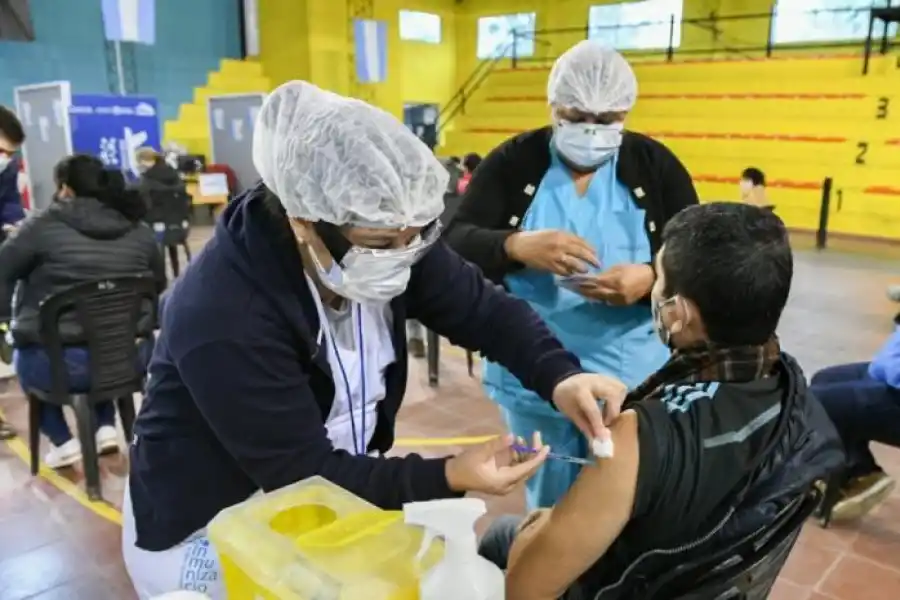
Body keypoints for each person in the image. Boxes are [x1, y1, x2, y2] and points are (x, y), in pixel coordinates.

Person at [122, 81, 629, 599]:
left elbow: (485, 311)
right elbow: (302, 473)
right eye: (381, 244)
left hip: (327, 494)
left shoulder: (390, 229)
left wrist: (562, 375)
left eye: (416, 238)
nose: (402, 256)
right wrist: (450, 474)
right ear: (303, 220)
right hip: (216, 519)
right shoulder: (225, 313)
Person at [478, 203, 844, 600]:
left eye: (660, 278)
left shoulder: (639, 435)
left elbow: (525, 589)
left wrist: (541, 524)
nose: (653, 288)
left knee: (501, 536)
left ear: (678, 313)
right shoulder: (798, 396)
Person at [444, 40, 699, 508]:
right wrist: (514, 245)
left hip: (630, 370)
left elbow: (697, 253)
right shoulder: (514, 162)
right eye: (577, 115)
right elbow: (455, 238)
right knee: (551, 494)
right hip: (532, 367)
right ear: (553, 105)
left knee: (623, 493)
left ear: (625, 113)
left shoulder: (654, 167)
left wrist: (650, 277)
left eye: (606, 120)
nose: (591, 130)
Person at [0, 155, 166, 468]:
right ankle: (105, 427)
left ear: (65, 189)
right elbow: (157, 285)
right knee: (104, 331)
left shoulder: (40, 227)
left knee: (27, 353)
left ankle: (62, 442)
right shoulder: (139, 230)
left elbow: (3, 270)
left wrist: (6, 324)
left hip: (62, 368)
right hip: (131, 360)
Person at [809, 329, 900, 521]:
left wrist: (887, 366)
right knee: (823, 379)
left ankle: (857, 474)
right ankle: (859, 471)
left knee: (821, 400)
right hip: (889, 369)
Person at [0, 105, 27, 441]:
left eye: (11, 153)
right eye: (2, 150)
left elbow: (8, 202)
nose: (6, 158)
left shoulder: (7, 166)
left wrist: (17, 224)